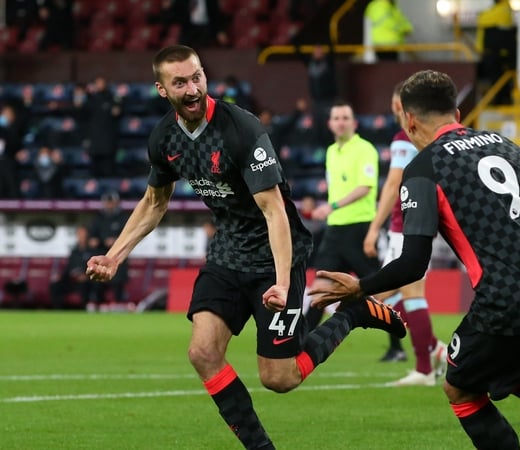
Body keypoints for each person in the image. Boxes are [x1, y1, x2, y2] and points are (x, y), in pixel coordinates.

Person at [85, 45, 406, 450]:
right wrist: (114, 256)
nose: (192, 88)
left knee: (280, 378)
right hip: (227, 255)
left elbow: (275, 212)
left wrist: (283, 281)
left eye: (196, 77)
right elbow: (154, 202)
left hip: (275, 255)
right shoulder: (164, 138)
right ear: (162, 89)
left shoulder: (241, 128)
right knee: (202, 352)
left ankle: (353, 313)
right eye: (179, 82)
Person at [309, 69, 520, 450]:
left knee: (459, 385)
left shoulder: (423, 168)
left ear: (409, 119)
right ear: (458, 113)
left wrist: (361, 287)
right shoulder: (508, 145)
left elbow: (413, 263)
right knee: (512, 369)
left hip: (507, 300)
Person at [362, 84, 447, 382]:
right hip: (420, 223)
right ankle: (433, 353)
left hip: (404, 226)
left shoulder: (402, 140)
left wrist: (374, 228)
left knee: (395, 295)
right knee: (406, 295)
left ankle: (426, 364)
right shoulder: (425, 139)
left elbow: (392, 185)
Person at [303, 101, 382, 331]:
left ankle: (395, 344)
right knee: (320, 288)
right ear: (329, 124)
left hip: (359, 227)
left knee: (377, 288)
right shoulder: (330, 152)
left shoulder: (365, 149)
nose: (341, 122)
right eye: (336, 118)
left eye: (345, 118)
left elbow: (365, 187)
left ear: (354, 123)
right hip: (335, 229)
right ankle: (299, 342)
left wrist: (332, 206)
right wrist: (328, 209)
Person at [87, 190, 129, 310]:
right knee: (98, 285)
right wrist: (97, 241)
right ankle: (96, 309)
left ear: (116, 202)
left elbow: (128, 237)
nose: (109, 204)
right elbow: (91, 239)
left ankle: (119, 309)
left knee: (117, 286)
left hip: (118, 257)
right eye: (107, 202)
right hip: (101, 255)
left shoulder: (122, 218)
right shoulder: (98, 218)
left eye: (111, 202)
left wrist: (115, 241)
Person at [475, 0, 516, 105]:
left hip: (503, 55)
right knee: (493, 79)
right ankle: (499, 101)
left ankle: (504, 101)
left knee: (501, 80)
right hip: (491, 54)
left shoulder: (505, 9)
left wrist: (483, 16)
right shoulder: (495, 9)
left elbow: (482, 19)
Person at [83, 76, 122, 178]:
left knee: (108, 171)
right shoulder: (91, 99)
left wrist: (117, 110)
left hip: (108, 140)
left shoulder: (112, 97)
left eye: (102, 83)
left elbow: (118, 111)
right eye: (98, 83)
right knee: (94, 172)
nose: (100, 85)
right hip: (94, 140)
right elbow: (82, 113)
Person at [50, 224, 93, 309]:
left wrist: (86, 276)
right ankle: (58, 310)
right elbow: (68, 268)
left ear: (87, 235)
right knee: (55, 284)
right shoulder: (74, 251)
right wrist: (60, 276)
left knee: (84, 285)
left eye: (83, 234)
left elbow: (95, 268)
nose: (80, 236)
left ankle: (83, 310)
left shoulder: (92, 251)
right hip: (71, 280)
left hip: (86, 281)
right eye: (79, 234)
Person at [162, 0, 229, 48]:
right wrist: (167, 8)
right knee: (183, 45)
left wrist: (220, 31)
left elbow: (216, 16)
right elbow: (174, 16)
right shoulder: (182, 1)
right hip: (188, 28)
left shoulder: (211, 1)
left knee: (206, 45)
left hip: (206, 27)